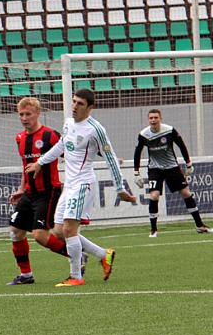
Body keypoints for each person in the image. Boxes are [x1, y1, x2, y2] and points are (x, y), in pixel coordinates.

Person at [25, 89, 137, 287]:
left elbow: (111, 158)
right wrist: (40, 162)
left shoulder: (95, 129)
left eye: (80, 103)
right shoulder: (69, 122)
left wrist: (120, 188)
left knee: (69, 229)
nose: (75, 106)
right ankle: (103, 254)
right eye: (74, 101)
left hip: (83, 184)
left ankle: (75, 276)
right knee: (59, 231)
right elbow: (61, 145)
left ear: (89, 107)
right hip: (69, 185)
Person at [8, 98, 83, 285]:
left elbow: (72, 155)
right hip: (29, 193)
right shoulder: (19, 138)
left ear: (38, 114)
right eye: (21, 114)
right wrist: (21, 188)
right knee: (16, 232)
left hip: (48, 192)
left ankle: (77, 256)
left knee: (40, 235)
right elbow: (26, 166)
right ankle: (26, 275)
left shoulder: (50, 135)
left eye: (28, 114)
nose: (24, 118)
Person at [133, 109, 213, 237]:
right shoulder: (144, 135)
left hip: (172, 168)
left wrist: (188, 164)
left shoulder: (169, 130)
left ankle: (200, 225)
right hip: (155, 169)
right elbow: (137, 153)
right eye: (151, 118)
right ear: (148, 120)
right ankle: (153, 230)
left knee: (186, 193)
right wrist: (136, 173)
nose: (153, 120)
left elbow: (182, 146)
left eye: (156, 117)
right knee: (154, 196)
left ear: (161, 119)